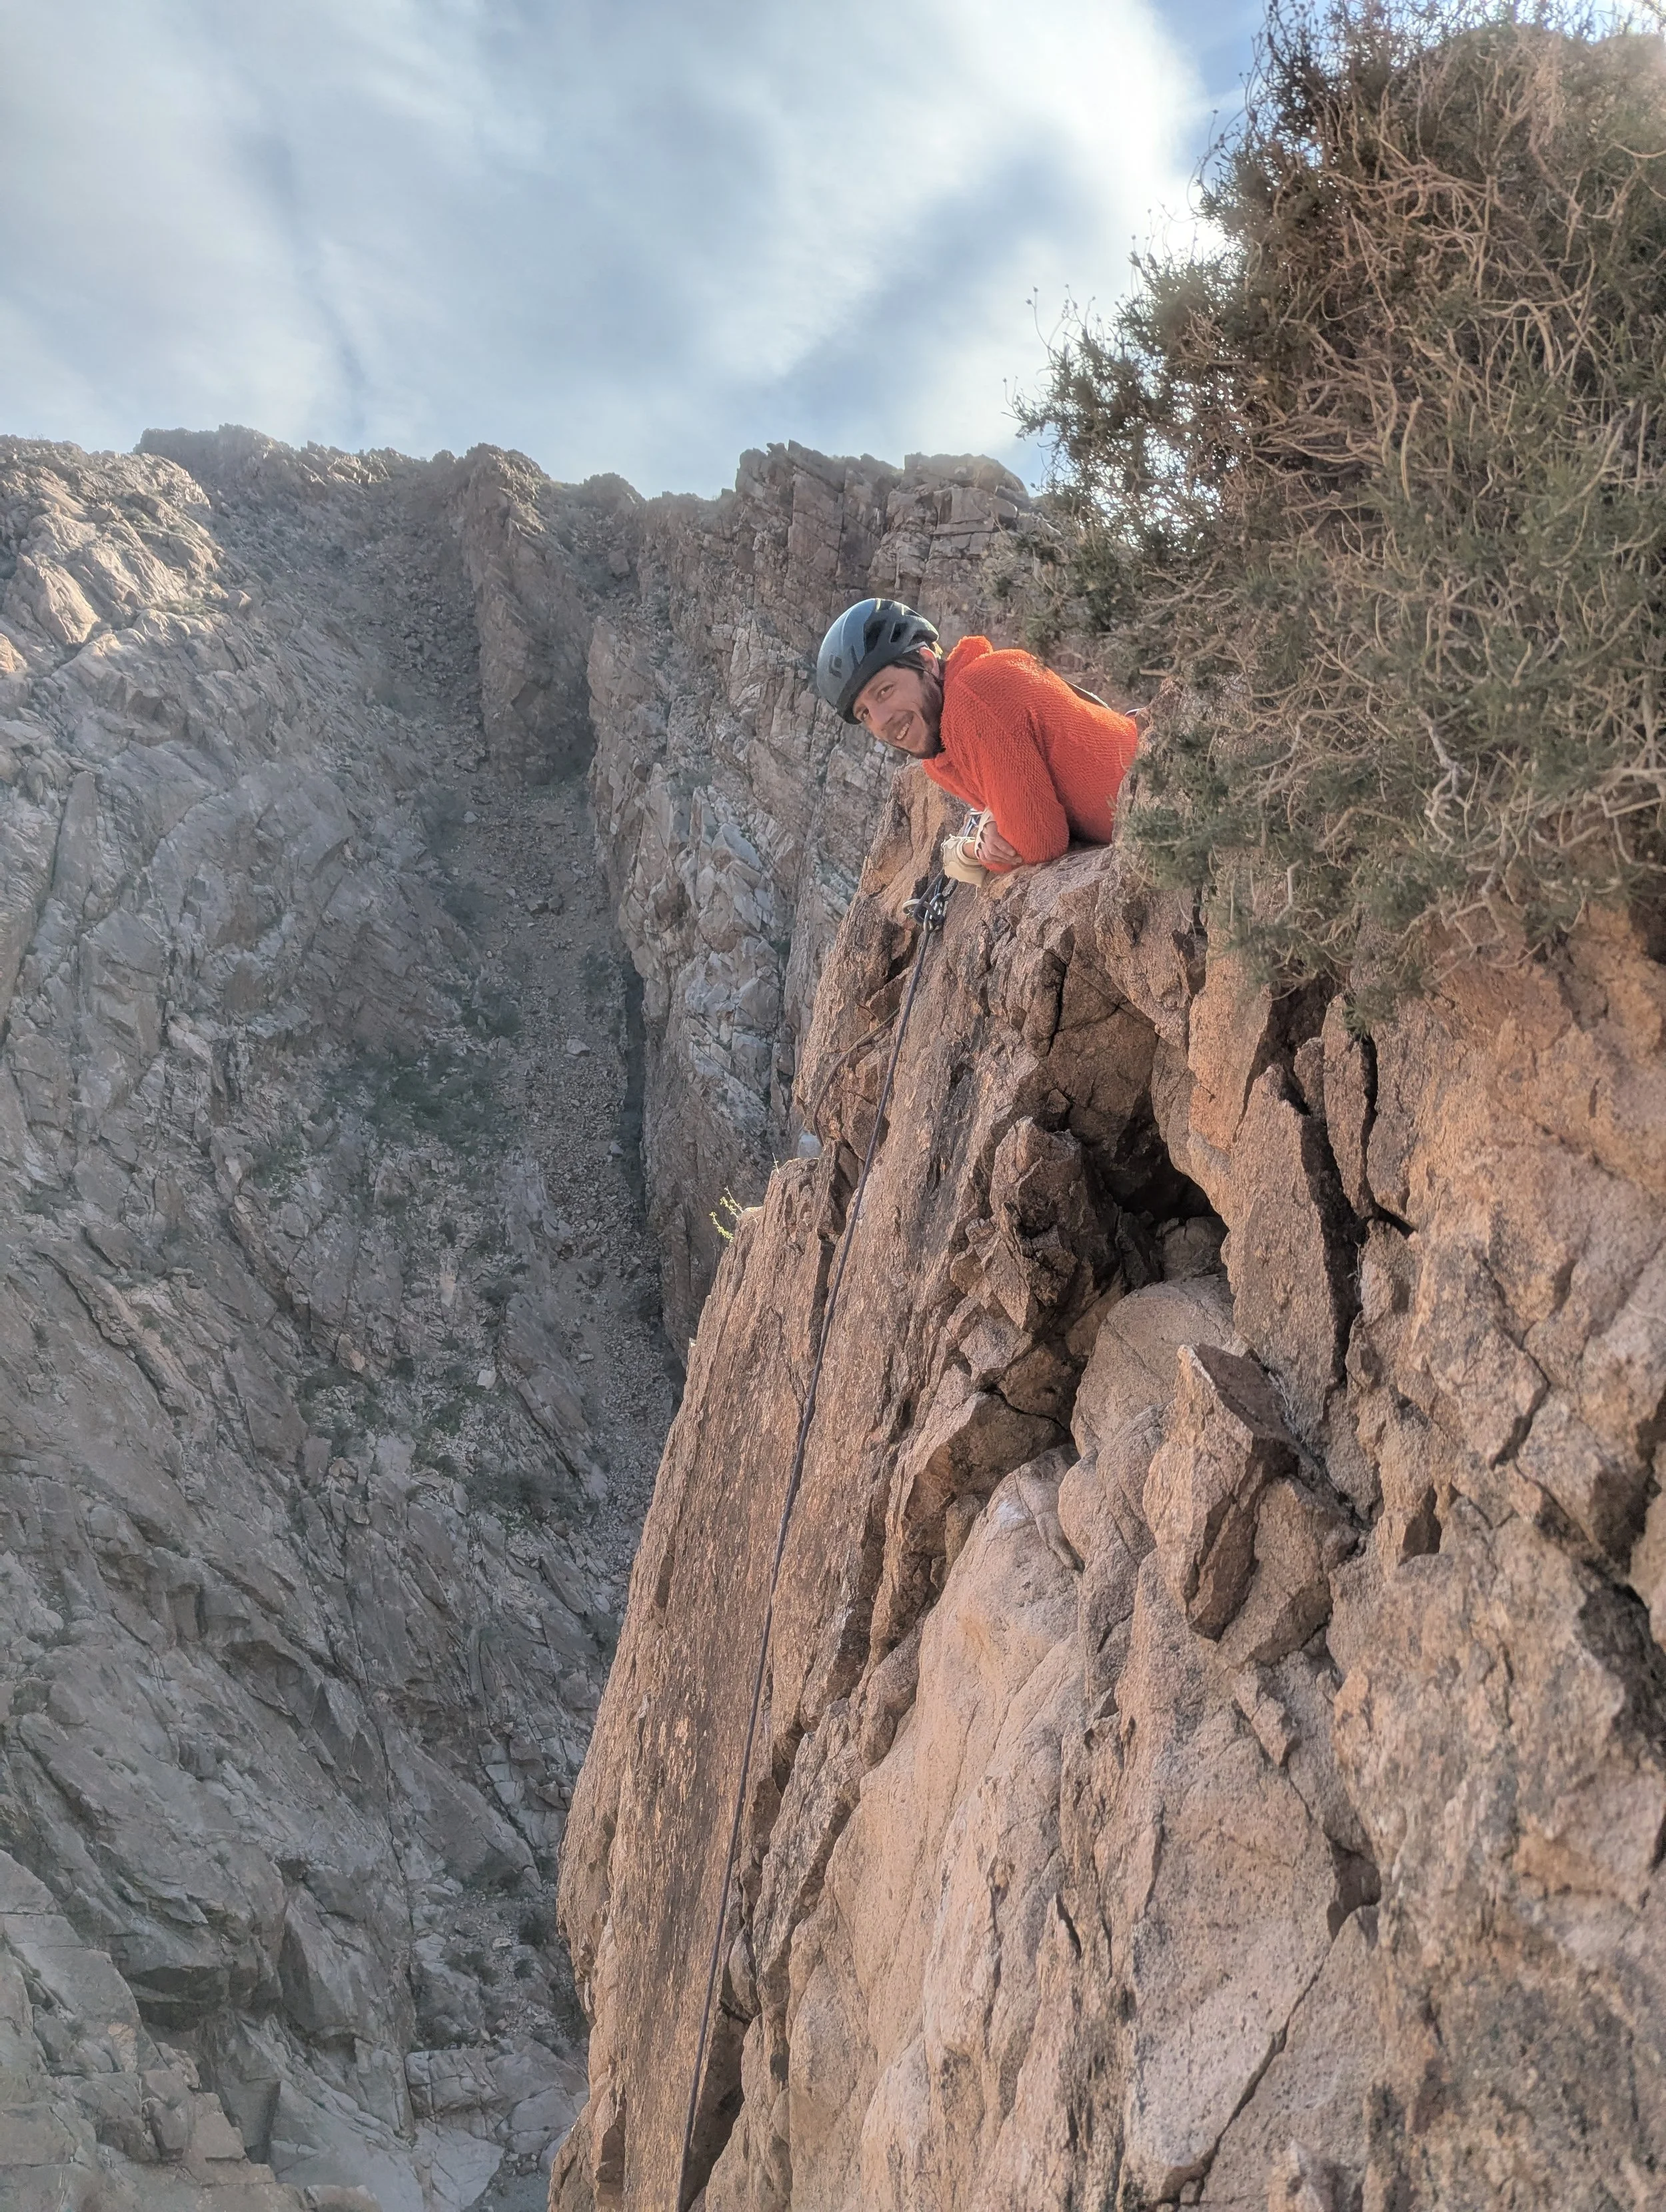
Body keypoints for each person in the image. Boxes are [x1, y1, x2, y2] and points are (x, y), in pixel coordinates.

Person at [814, 597, 1139, 879]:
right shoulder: (940, 752)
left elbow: (1039, 841)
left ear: (927, 662)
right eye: (865, 714)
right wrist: (992, 819)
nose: (881, 722)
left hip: (1163, 803)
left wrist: (969, 851)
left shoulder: (974, 696)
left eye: (884, 691)